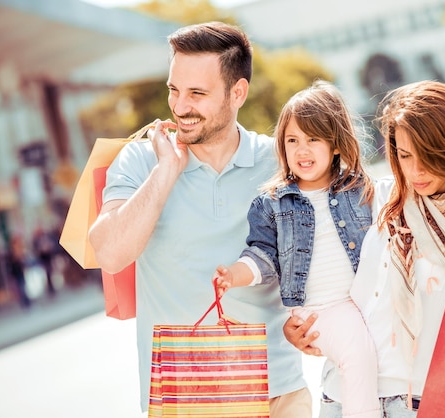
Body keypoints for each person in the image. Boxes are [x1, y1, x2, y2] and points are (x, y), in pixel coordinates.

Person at [88, 22, 310, 417]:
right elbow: (109, 253)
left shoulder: (278, 162)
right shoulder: (141, 161)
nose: (180, 106)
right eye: (174, 89)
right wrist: (166, 171)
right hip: (183, 397)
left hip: (278, 392)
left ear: (237, 92)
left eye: (197, 93)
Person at [285, 80, 445, 417]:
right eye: (405, 155)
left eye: (428, 157)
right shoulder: (378, 199)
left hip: (419, 402)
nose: (416, 171)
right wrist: (300, 327)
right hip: (344, 393)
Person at [213, 80, 379, 418]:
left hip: (363, 302)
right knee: (357, 355)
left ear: (335, 144)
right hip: (320, 309)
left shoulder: (359, 188)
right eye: (293, 141)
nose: (302, 150)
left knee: (370, 354)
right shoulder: (273, 203)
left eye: (313, 139)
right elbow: (261, 255)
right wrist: (234, 275)